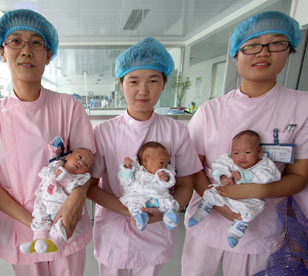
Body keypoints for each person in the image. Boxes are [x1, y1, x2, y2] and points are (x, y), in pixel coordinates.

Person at [182, 11, 308, 276]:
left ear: (289, 50)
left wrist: (253, 191)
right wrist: (219, 204)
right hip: (207, 220)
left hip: (259, 226)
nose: (263, 53)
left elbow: (298, 176)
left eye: (276, 43)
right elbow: (192, 168)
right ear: (236, 56)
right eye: (251, 46)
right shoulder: (210, 111)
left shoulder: (301, 107)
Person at [0, 9, 95, 276]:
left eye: (36, 42)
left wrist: (72, 206)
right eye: (15, 41)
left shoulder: (68, 107)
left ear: (48, 54)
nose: (26, 50)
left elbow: (88, 165)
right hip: (20, 227)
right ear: (2, 52)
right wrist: (36, 223)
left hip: (67, 222)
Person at [87, 37, 202, 276]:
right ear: (121, 84)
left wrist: (167, 211)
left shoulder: (176, 131)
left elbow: (185, 184)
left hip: (156, 230)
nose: (143, 90)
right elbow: (90, 187)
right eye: (134, 81)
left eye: (153, 81)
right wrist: (127, 210)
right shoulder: (104, 132)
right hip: (114, 230)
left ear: (164, 84)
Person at [188, 130, 280, 248]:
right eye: (236, 153)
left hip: (250, 199)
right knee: (211, 192)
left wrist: (245, 176)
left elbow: (269, 177)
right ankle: (202, 211)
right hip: (226, 192)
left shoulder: (265, 165)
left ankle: (237, 230)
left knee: (251, 209)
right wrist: (223, 177)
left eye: (247, 152)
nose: (241, 157)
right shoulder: (229, 160)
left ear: (259, 151)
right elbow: (218, 166)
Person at [20, 137, 94, 255]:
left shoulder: (80, 179)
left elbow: (73, 190)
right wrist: (51, 176)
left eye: (86, 164)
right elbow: (44, 173)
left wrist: (65, 179)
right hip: (45, 201)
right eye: (79, 157)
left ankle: (55, 243)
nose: (81, 162)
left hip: (61, 207)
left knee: (61, 224)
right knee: (39, 217)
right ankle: (37, 241)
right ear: (68, 156)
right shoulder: (55, 165)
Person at [118, 141, 179, 231]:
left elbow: (169, 183)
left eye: (166, 164)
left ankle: (169, 216)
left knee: (168, 201)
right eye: (161, 163)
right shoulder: (137, 170)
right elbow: (126, 181)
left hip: (157, 197)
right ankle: (140, 216)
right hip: (139, 196)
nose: (165, 167)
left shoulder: (163, 173)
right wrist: (127, 168)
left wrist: (165, 179)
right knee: (133, 203)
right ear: (146, 160)